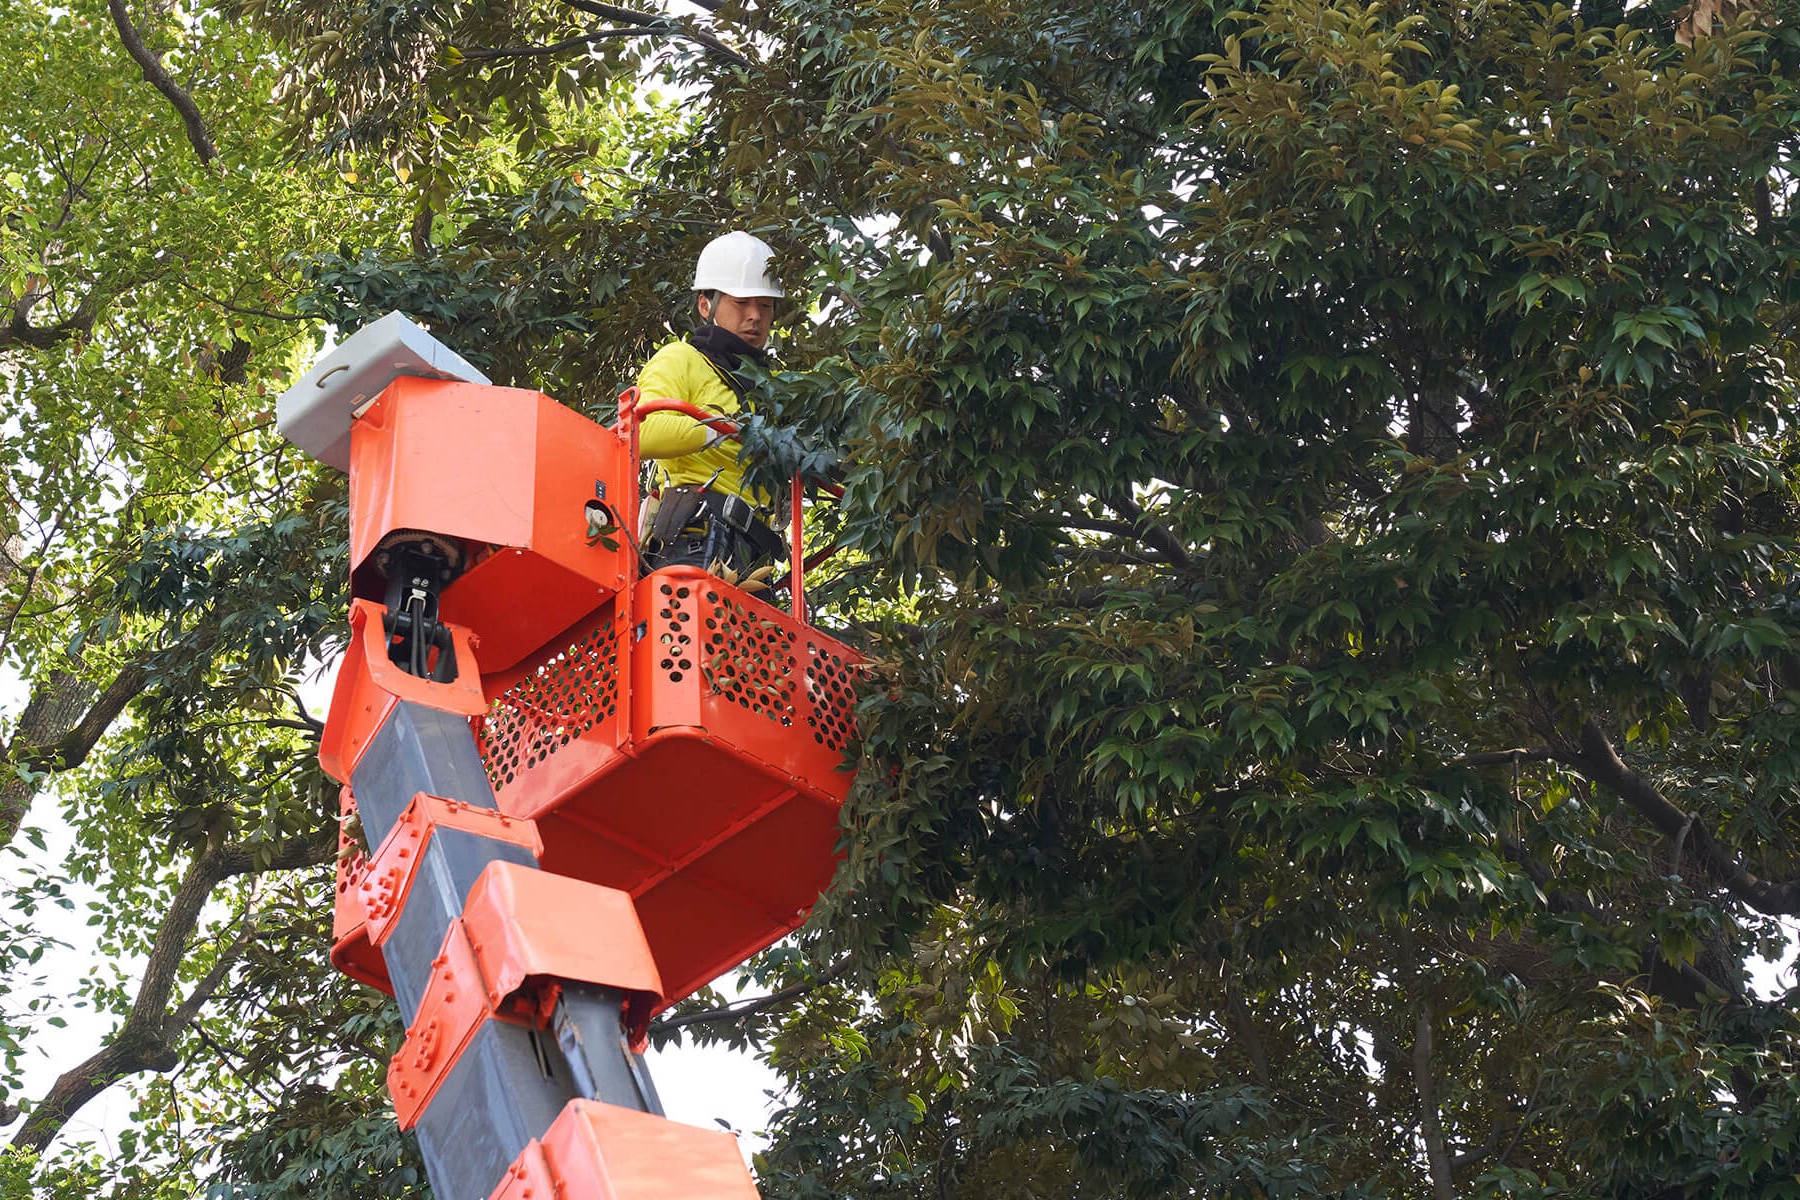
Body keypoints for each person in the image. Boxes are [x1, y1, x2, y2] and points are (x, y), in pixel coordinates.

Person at [636, 231, 788, 580]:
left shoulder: (773, 390)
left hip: (753, 556)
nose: (755, 316)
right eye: (741, 303)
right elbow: (642, 432)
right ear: (706, 305)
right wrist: (719, 429)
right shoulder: (682, 358)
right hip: (695, 536)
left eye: (764, 305)